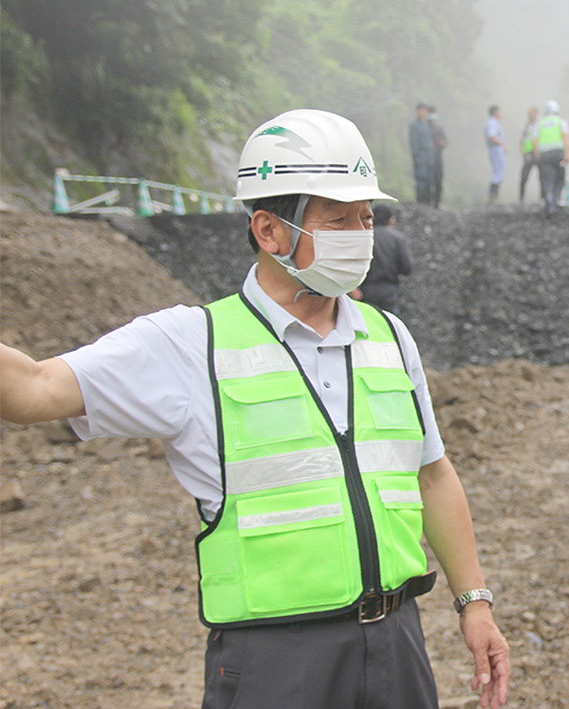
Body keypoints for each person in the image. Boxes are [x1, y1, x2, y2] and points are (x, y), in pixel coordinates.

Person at [0, 109, 510, 709]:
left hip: (398, 645)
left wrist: (473, 602)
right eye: (338, 219)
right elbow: (32, 389)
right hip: (274, 664)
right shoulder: (192, 342)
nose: (360, 234)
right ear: (269, 231)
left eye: (366, 218)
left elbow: (432, 474)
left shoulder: (390, 336)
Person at [355, 201, 414, 316]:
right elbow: (406, 268)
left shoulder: (364, 236)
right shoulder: (398, 239)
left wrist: (352, 289)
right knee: (388, 324)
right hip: (388, 291)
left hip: (364, 289)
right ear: (391, 220)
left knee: (366, 323)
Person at [532, 100, 569, 215]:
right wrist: (567, 154)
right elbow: (565, 139)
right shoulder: (560, 122)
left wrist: (537, 154)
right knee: (560, 177)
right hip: (557, 154)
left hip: (544, 155)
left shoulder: (539, 123)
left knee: (546, 179)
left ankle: (549, 198)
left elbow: (534, 140)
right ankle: (556, 198)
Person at [409, 103, 437, 206]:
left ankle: (429, 204)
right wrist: (416, 158)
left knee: (430, 181)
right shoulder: (414, 126)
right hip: (420, 155)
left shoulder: (429, 125)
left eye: (424, 110)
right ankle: (421, 204)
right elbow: (414, 143)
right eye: (420, 110)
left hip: (429, 156)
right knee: (421, 180)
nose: (422, 112)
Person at [484, 105, 506, 203]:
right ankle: (493, 197)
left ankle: (494, 197)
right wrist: (502, 144)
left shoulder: (494, 123)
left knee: (499, 172)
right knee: (497, 172)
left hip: (496, 149)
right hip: (496, 149)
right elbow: (492, 136)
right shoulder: (492, 123)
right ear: (496, 112)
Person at [517, 106, 539, 203]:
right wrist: (523, 152)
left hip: (538, 152)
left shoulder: (540, 125)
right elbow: (521, 140)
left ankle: (543, 198)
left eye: (532, 113)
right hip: (528, 153)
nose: (530, 115)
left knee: (542, 176)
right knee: (524, 176)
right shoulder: (525, 127)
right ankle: (521, 198)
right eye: (529, 114)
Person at [428, 106, 449, 209]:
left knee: (438, 179)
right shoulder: (425, 127)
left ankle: (437, 202)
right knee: (428, 180)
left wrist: (442, 143)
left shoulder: (439, 127)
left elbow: (446, 141)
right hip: (428, 157)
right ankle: (428, 202)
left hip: (438, 156)